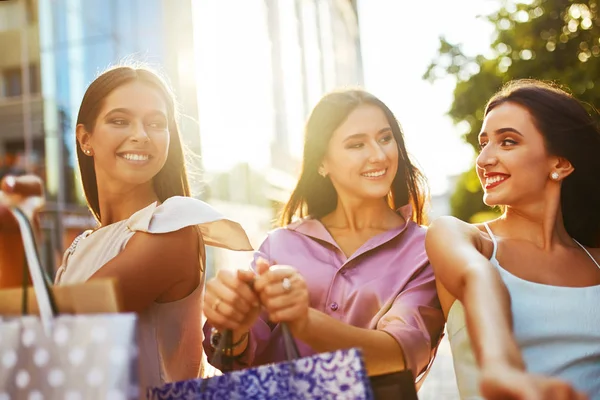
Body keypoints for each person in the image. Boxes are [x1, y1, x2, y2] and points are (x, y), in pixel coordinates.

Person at [202, 89, 445, 382]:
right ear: (322, 163)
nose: (379, 155)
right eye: (356, 144)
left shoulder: (425, 250)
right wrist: (233, 323)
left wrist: (305, 322)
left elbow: (404, 355)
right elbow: (231, 360)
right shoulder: (280, 244)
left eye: (385, 138)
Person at [53, 66, 252, 390]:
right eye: (120, 120)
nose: (141, 135)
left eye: (156, 123)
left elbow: (61, 333)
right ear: (85, 138)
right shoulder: (83, 244)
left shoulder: (172, 225)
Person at [426, 79, 600, 400]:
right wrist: (500, 368)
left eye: (507, 142)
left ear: (560, 163)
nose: (484, 160)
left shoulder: (596, 260)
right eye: (484, 144)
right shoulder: (459, 236)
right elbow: (478, 279)